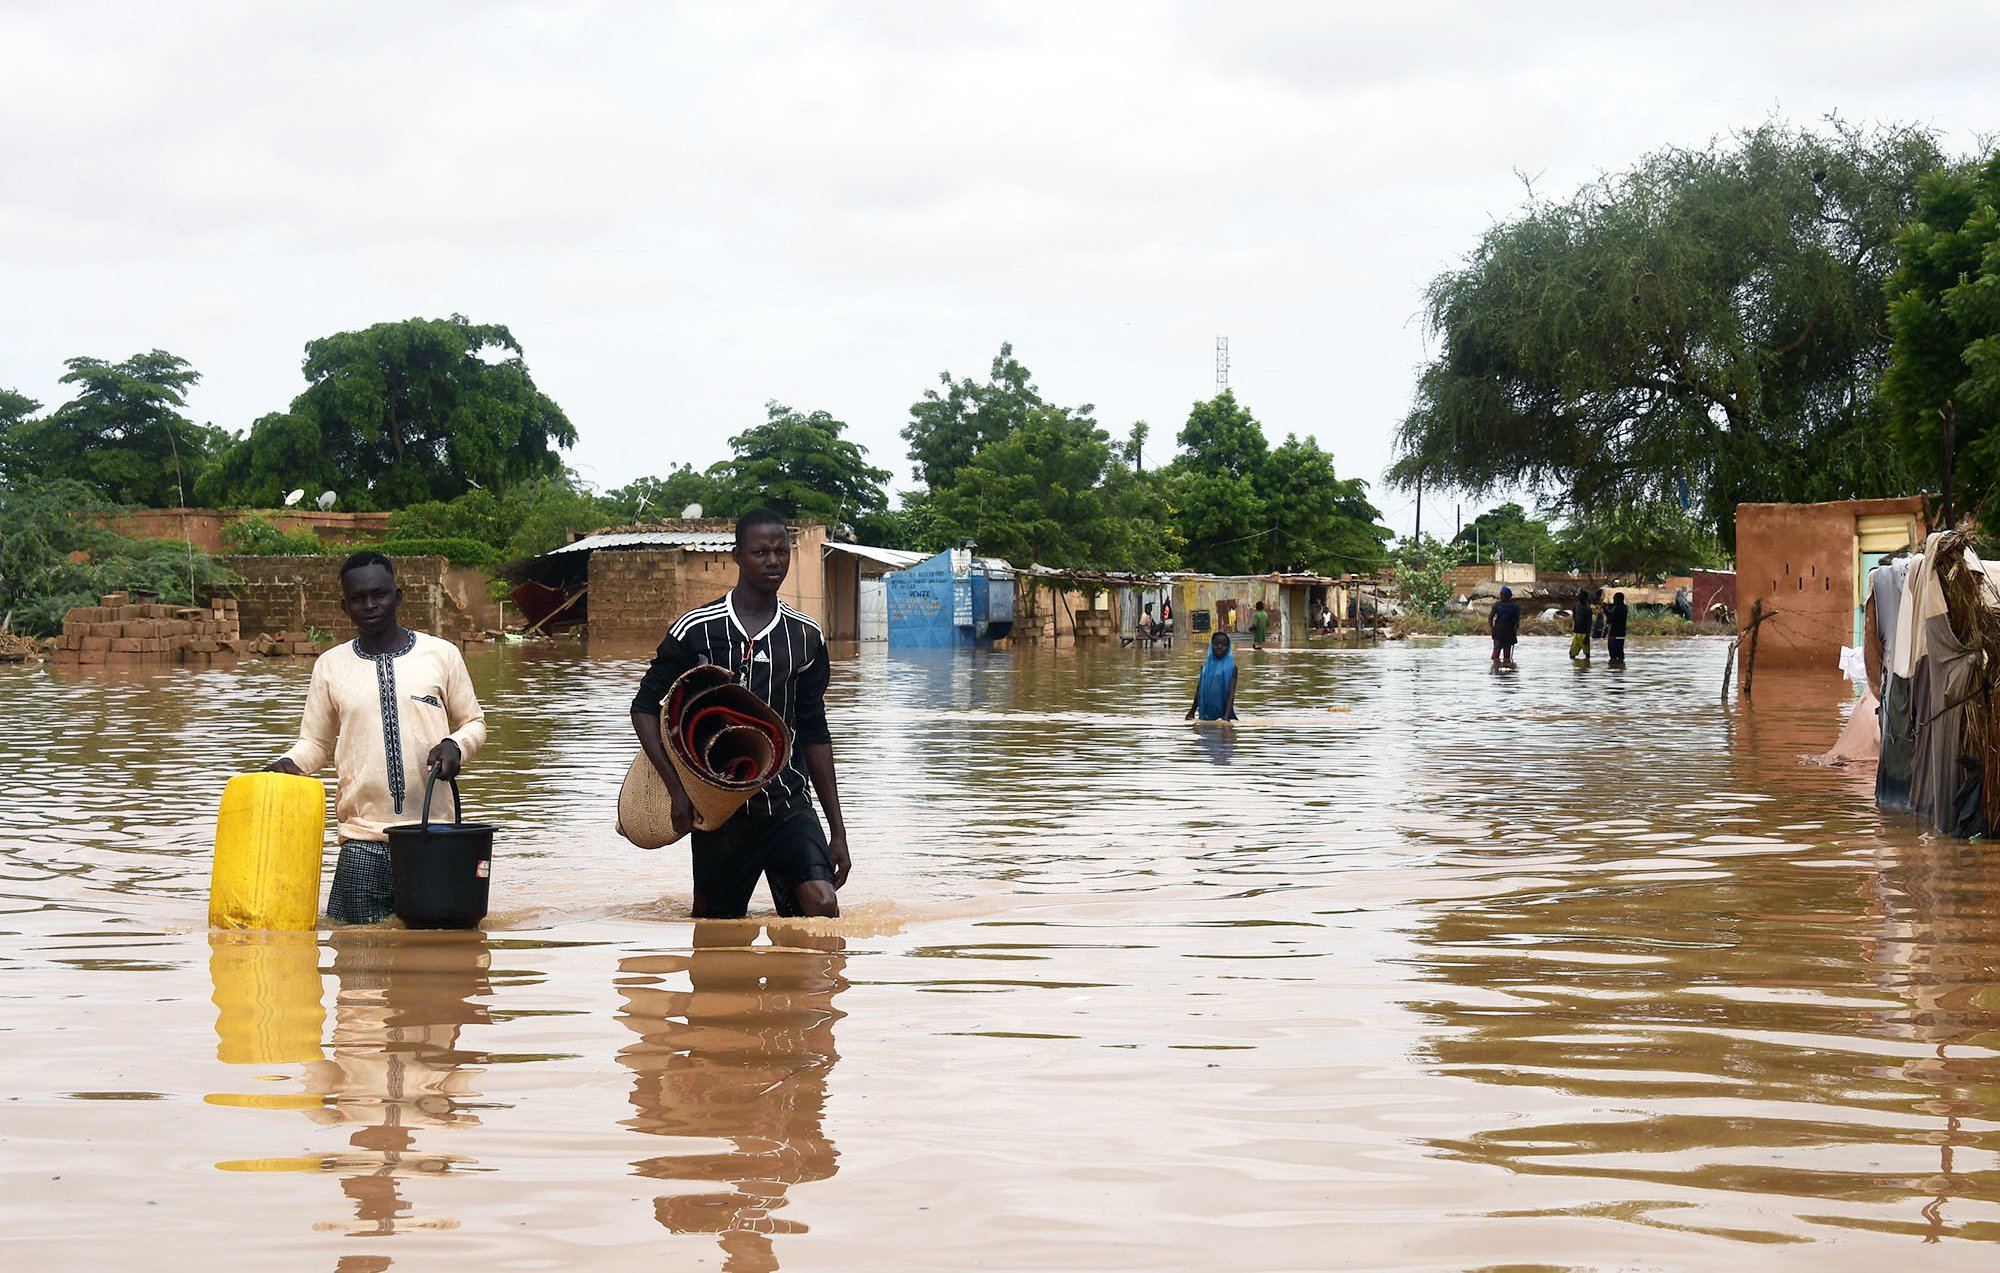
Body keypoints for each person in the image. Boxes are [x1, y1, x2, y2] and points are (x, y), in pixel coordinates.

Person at [629, 508, 852, 919]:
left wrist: (838, 831)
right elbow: (644, 708)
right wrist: (677, 790)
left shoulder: (805, 637)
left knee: (822, 904)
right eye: (760, 552)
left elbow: (815, 733)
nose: (773, 561)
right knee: (717, 934)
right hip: (719, 815)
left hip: (787, 804)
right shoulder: (696, 630)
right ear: (736, 556)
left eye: (781, 552)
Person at [267, 551, 487, 925]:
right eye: (358, 598)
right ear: (344, 605)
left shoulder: (441, 655)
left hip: (434, 837)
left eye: (379, 594)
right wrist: (289, 765)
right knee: (356, 959)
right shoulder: (330, 666)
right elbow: (316, 743)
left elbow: (474, 723)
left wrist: (455, 745)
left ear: (398, 596)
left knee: (439, 961)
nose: (370, 605)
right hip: (362, 839)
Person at [1185, 631, 1239, 721]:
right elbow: (1199, 690)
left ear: (1228, 647)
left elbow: (1231, 693)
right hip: (1205, 714)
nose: (1220, 647)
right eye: (1216, 644)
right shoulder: (1205, 667)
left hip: (1223, 714)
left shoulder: (1232, 668)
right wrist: (1192, 711)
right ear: (1211, 645)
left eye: (1224, 645)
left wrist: (1226, 717)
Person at [1489, 585, 1520, 668]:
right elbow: (1490, 617)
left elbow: (1517, 619)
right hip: (1498, 631)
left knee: (1507, 654)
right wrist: (1492, 628)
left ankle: (1507, 667)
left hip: (1509, 632)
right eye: (1501, 594)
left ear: (1508, 596)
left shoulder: (1515, 607)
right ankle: (1495, 667)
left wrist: (1516, 627)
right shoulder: (1497, 605)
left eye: (1503, 594)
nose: (1501, 596)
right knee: (1496, 653)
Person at [1569, 588, 1595, 663]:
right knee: (1572, 653)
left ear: (1585, 598)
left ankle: (1586, 667)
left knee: (1587, 654)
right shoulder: (1576, 607)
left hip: (1584, 633)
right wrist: (1573, 628)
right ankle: (1578, 667)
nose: (1579, 597)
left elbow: (1589, 623)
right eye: (1579, 595)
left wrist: (1587, 635)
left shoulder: (1587, 609)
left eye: (1581, 596)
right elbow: (1574, 618)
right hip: (1577, 633)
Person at [1606, 591, 1630, 668]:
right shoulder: (1624, 608)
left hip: (1613, 635)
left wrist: (1605, 610)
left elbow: (1609, 619)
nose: (1613, 600)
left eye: (1615, 599)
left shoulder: (1616, 609)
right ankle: (1620, 668)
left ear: (1619, 599)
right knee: (1620, 655)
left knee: (1613, 656)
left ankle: (1615, 668)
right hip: (1621, 635)